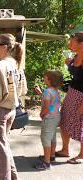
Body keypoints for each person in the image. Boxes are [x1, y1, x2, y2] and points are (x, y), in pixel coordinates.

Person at [0, 33, 25, 180]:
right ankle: (13, 175)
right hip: (12, 110)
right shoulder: (16, 63)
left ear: (4, 47)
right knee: (4, 144)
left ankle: (3, 177)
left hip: (0, 111)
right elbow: (22, 90)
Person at [56, 32, 83, 164]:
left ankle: (82, 155)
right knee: (64, 118)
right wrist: (69, 64)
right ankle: (65, 149)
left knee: (81, 124)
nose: (69, 44)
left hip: (82, 96)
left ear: (81, 44)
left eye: (72, 42)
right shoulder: (76, 56)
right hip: (72, 92)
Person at [34, 70, 63, 170]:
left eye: (45, 77)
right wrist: (41, 93)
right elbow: (52, 104)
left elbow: (46, 107)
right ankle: (51, 156)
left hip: (49, 118)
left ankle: (46, 163)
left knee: (45, 139)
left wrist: (42, 114)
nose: (43, 78)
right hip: (55, 117)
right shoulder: (54, 91)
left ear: (50, 80)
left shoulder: (47, 92)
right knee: (52, 137)